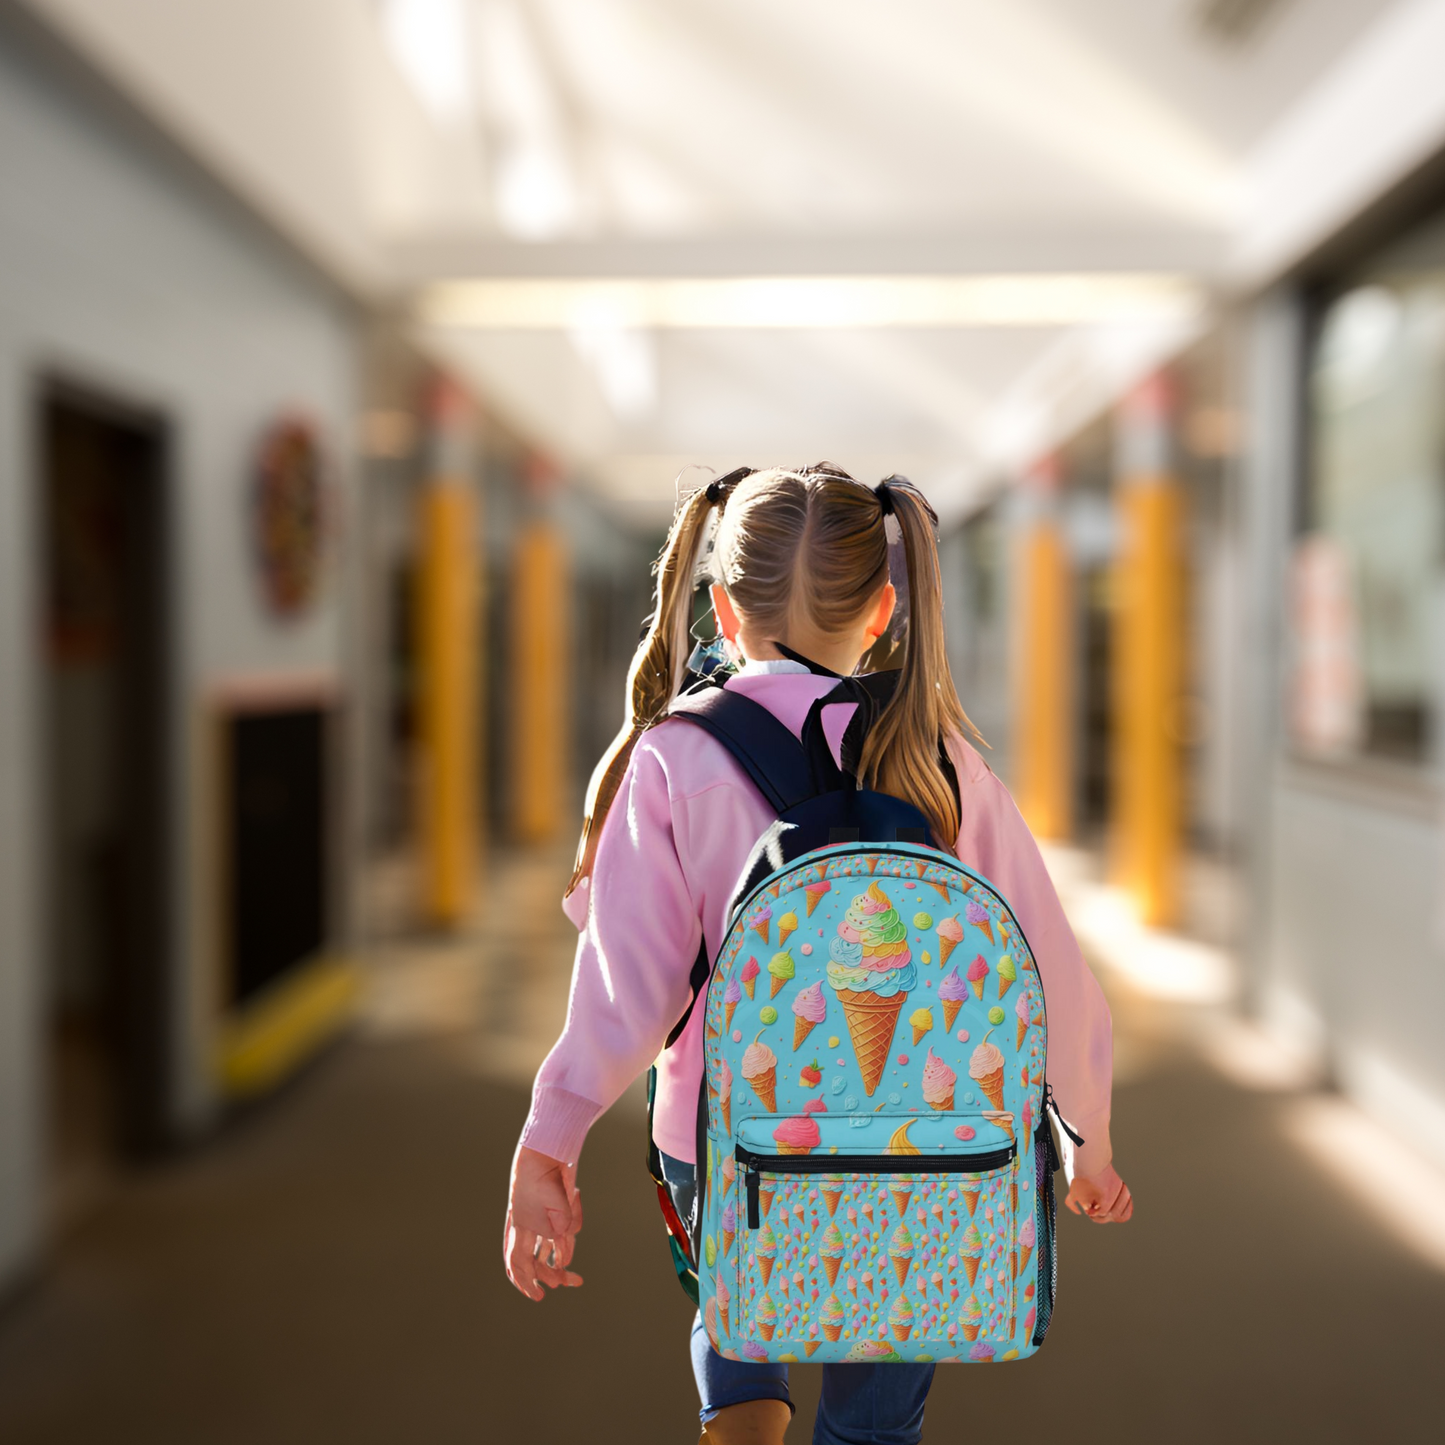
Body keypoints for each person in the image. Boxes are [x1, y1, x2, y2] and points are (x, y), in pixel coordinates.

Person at [503, 465, 1132, 1444]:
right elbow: (1041, 962)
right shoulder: (939, 756)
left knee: (741, 1314)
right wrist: (1081, 1133)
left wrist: (552, 1135)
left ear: (718, 604)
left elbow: (626, 987)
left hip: (721, 1126)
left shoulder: (674, 754)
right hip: (918, 1135)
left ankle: (743, 1406)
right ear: (884, 608)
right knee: (873, 1416)